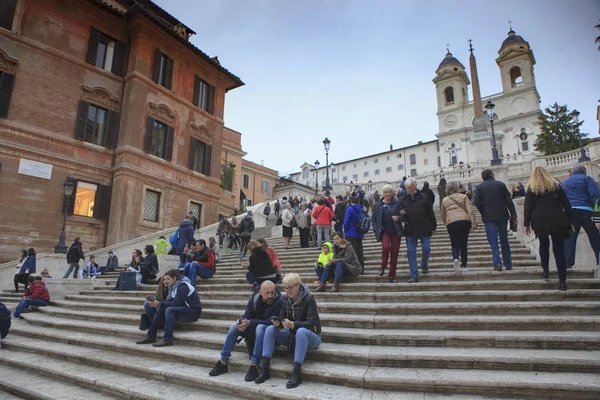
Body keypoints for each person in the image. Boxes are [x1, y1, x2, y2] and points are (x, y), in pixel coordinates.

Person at [255, 273, 321, 388]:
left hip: (311, 336)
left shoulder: (309, 299)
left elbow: (311, 323)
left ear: (298, 285)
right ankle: (265, 369)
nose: (287, 290)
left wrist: (293, 324)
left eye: (290, 287)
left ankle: (296, 373)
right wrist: (278, 323)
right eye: (285, 288)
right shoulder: (285, 299)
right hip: (292, 336)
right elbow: (282, 317)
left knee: (301, 331)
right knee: (270, 329)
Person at [209, 281, 282, 381]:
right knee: (234, 326)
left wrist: (250, 322)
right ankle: (223, 361)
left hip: (267, 333)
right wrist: (243, 324)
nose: (270, 295)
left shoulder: (279, 301)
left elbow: (272, 322)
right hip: (253, 329)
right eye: (267, 293)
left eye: (272, 292)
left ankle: (254, 364)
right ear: (260, 292)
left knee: (260, 327)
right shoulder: (255, 298)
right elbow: (246, 316)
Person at [524, 167, 572, 291]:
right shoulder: (555, 186)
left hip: (539, 220)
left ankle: (545, 270)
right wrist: (570, 221)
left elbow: (528, 207)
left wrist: (526, 224)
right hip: (557, 218)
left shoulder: (532, 188)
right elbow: (566, 204)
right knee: (559, 250)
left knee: (543, 245)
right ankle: (562, 281)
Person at [136, 269, 202, 347]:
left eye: (168, 279)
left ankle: (168, 339)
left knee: (169, 310)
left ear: (174, 278)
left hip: (193, 312)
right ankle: (150, 336)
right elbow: (170, 301)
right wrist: (158, 303)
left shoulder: (183, 285)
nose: (166, 281)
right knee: (162, 307)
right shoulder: (174, 287)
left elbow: (176, 303)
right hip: (183, 309)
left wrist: (160, 304)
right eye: (164, 279)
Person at [472, 169, 517, 271]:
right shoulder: (500, 185)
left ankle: (497, 263)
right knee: (504, 239)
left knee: (493, 241)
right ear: (492, 175)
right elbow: (509, 201)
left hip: (488, 217)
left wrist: (483, 211)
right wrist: (513, 213)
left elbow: (476, 201)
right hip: (502, 215)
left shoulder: (480, 187)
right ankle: (508, 263)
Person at [561, 164, 600, 267]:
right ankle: (599, 260)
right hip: (586, 210)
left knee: (570, 237)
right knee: (595, 236)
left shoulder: (564, 183)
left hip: (570, 213)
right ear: (584, 172)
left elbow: (561, 200)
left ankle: (567, 262)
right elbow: (595, 196)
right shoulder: (587, 179)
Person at [400, 178, 437, 283]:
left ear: (415, 187)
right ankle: (414, 274)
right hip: (410, 230)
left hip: (424, 227)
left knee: (426, 248)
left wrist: (434, 227)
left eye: (412, 188)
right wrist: (400, 215)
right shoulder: (402, 199)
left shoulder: (424, 197)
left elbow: (431, 213)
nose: (410, 190)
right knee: (411, 251)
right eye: (408, 188)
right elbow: (400, 215)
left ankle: (424, 264)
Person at [440, 181, 477, 272]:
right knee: (464, 244)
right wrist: (473, 223)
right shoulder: (464, 197)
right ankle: (464, 266)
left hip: (451, 222)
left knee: (454, 243)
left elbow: (442, 215)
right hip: (464, 221)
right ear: (457, 188)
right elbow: (470, 211)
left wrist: (447, 222)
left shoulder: (445, 200)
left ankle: (456, 259)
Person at [372, 184, 405, 283]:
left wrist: (398, 218)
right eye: (385, 192)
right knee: (385, 248)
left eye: (389, 192)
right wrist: (375, 229)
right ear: (383, 193)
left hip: (395, 231)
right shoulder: (378, 205)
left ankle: (392, 275)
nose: (387, 194)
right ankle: (383, 266)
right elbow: (373, 219)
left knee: (394, 253)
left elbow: (403, 216)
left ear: (392, 193)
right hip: (384, 231)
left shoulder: (397, 203)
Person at [343, 196, 365, 273]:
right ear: (358, 202)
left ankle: (355, 269)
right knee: (359, 251)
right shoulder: (361, 209)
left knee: (352, 252)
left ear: (351, 201)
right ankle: (362, 268)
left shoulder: (350, 209)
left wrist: (345, 231)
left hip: (350, 233)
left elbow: (346, 222)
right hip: (359, 233)